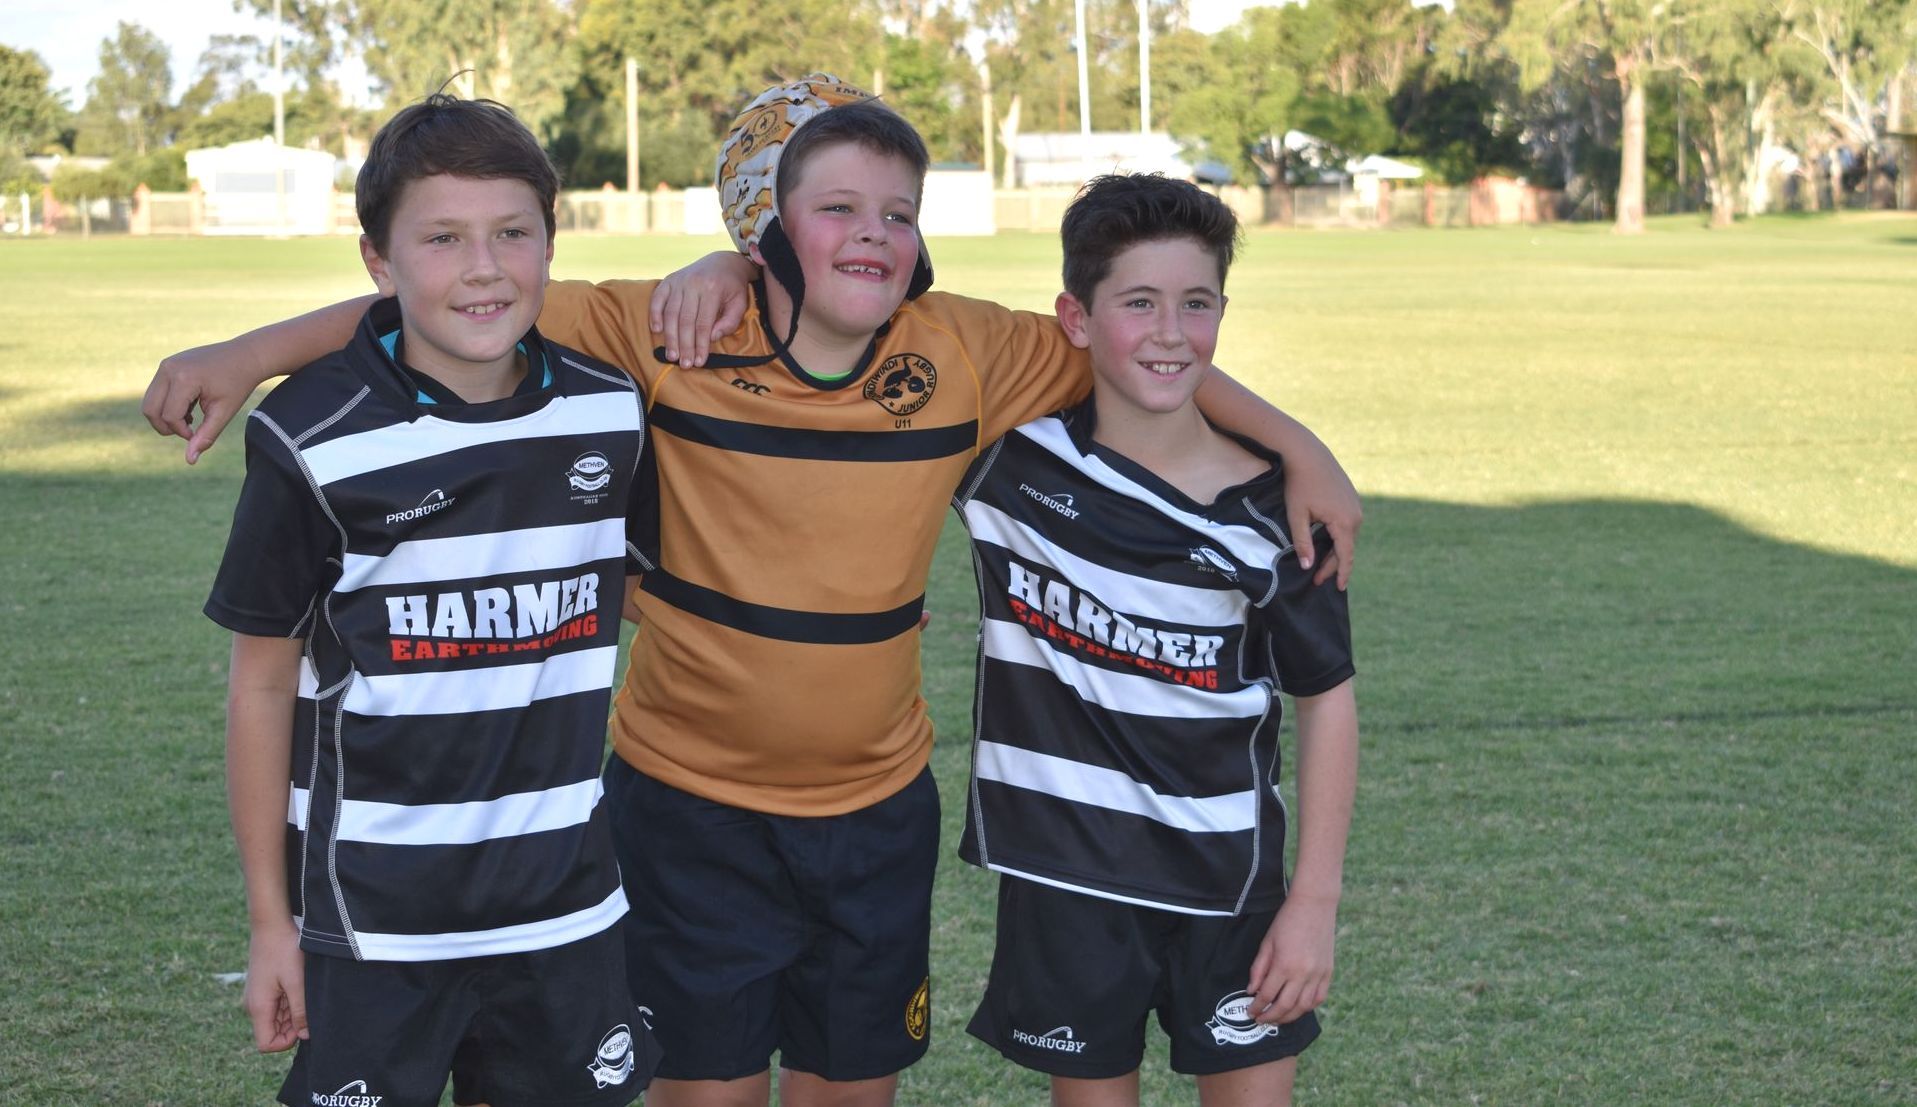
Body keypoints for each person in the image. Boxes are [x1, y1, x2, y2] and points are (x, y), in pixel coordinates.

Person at [147, 76, 1361, 1107]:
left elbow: (1136, 344)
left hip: (877, 814)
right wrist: (245, 356)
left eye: (897, 214)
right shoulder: (668, 332)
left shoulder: (965, 350)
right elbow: (449, 295)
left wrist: (1299, 444)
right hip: (688, 812)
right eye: (836, 209)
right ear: (766, 231)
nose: (872, 234)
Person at [206, 92, 659, 1107]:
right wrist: (272, 923)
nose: (484, 267)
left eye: (512, 233)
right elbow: (260, 686)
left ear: (551, 244)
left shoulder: (609, 412)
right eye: (443, 238)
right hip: (373, 913)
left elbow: (637, 589)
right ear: (379, 261)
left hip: (562, 905)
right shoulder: (310, 436)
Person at [952, 174, 1359, 1107]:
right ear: (1076, 317)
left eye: (1196, 303)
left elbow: (1327, 699)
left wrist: (1314, 902)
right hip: (1065, 877)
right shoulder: (1010, 462)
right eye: (1138, 303)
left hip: (1233, 885)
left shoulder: (1277, 513)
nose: (1171, 332)